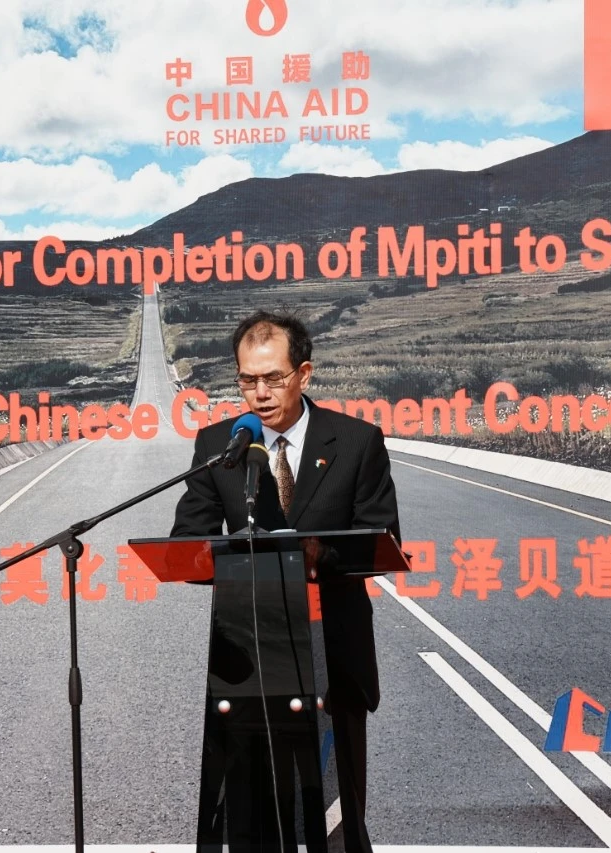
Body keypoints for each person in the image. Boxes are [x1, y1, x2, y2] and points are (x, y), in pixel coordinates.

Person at [171, 310, 401, 853]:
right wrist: (237, 553)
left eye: (273, 378)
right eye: (247, 380)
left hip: (332, 654)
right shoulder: (220, 446)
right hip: (248, 659)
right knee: (249, 821)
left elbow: (381, 537)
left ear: (304, 373)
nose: (259, 393)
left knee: (335, 823)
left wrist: (321, 553)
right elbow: (187, 540)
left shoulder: (357, 441)